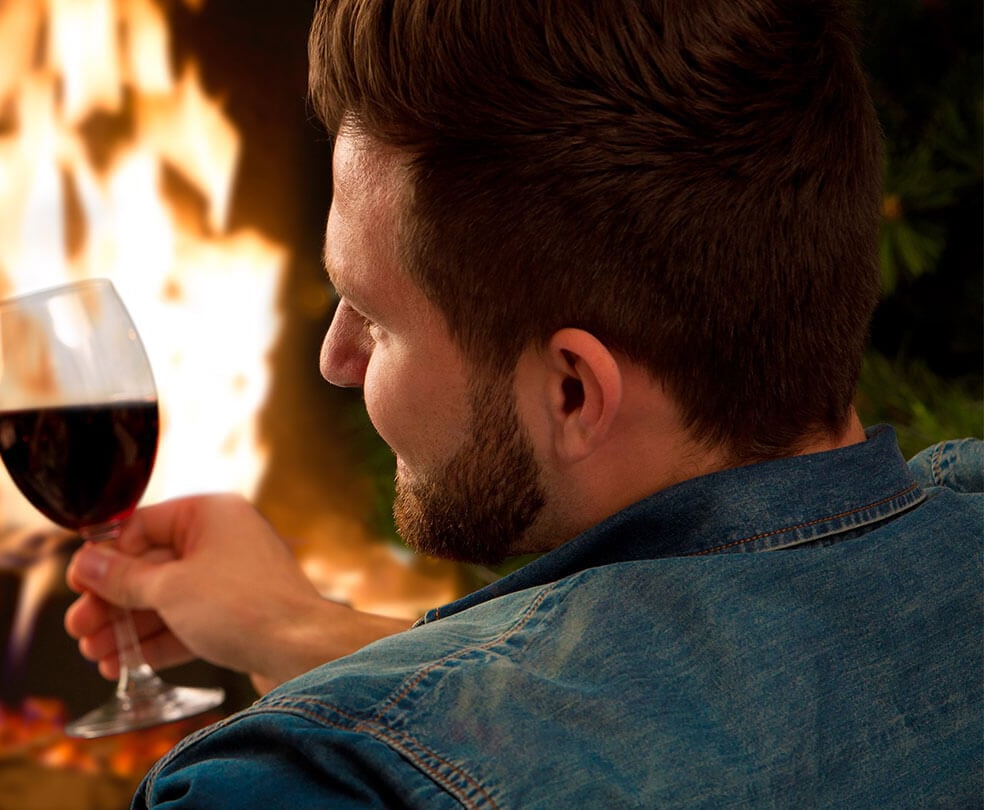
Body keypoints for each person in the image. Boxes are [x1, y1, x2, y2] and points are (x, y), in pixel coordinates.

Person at [63, 0, 984, 805]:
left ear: (573, 391)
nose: (336, 358)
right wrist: (299, 630)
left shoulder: (298, 789)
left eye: (376, 320)